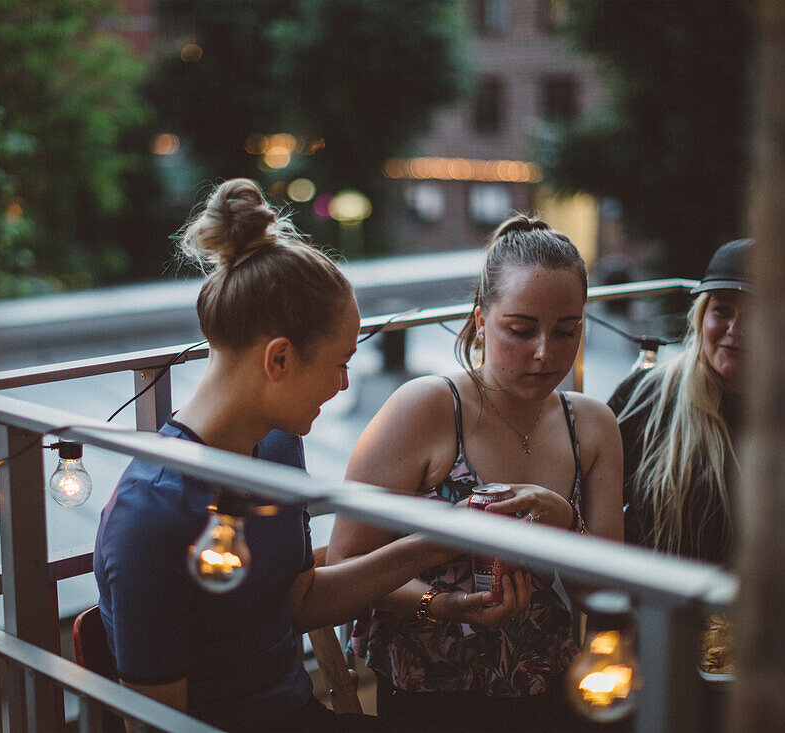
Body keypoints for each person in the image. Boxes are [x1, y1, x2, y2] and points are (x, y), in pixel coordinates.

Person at [93, 179, 505, 733]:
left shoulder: (278, 446)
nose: (342, 385)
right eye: (340, 362)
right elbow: (155, 723)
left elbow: (300, 601)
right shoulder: (152, 515)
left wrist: (436, 545)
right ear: (279, 360)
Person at [328, 215, 624, 732]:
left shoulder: (592, 425)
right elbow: (347, 564)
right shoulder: (427, 407)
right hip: (429, 691)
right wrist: (447, 606)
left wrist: (568, 526)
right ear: (480, 320)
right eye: (521, 329)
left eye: (567, 331)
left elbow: (602, 596)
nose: (544, 353)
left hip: (544, 680)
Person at [607, 238, 752, 565]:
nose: (735, 329)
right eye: (722, 310)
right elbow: (590, 507)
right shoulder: (647, 395)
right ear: (701, 315)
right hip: (650, 605)